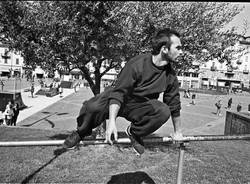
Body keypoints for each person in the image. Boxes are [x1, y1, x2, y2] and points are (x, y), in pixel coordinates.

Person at [62, 28, 184, 155]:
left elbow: (173, 104)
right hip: (115, 98)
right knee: (92, 107)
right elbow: (118, 93)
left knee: (163, 111)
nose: (181, 52)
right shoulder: (137, 64)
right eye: (178, 48)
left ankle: (135, 133)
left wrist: (177, 132)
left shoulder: (170, 76)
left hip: (139, 105)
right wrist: (112, 123)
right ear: (164, 49)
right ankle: (80, 132)